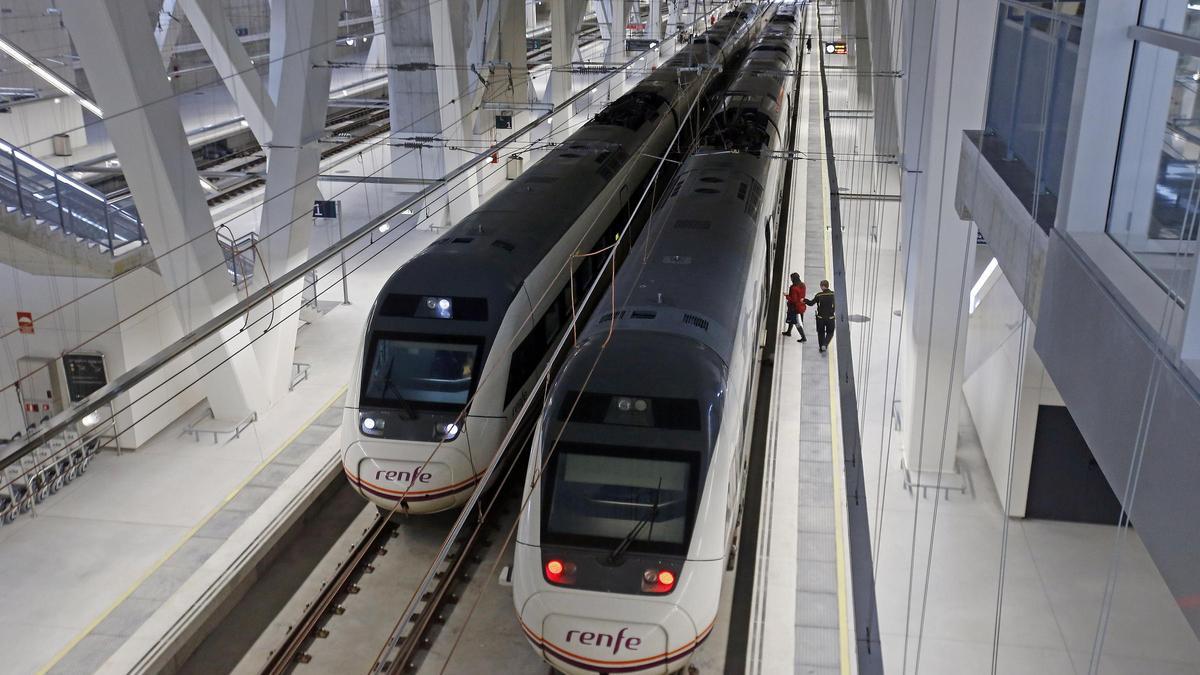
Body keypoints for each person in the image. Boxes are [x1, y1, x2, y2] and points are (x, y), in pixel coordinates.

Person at [805, 280, 836, 353]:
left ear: (823, 286)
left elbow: (811, 303)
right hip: (830, 318)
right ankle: (825, 345)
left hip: (820, 318)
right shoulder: (834, 294)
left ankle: (821, 348)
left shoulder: (819, 295)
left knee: (820, 333)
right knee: (830, 332)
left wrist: (804, 300)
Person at [781, 273, 807, 342]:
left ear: (793, 279)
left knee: (797, 323)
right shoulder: (802, 285)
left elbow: (793, 300)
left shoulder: (793, 288)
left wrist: (787, 295)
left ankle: (803, 337)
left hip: (795, 308)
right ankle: (788, 332)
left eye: (791, 278)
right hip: (801, 305)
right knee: (792, 319)